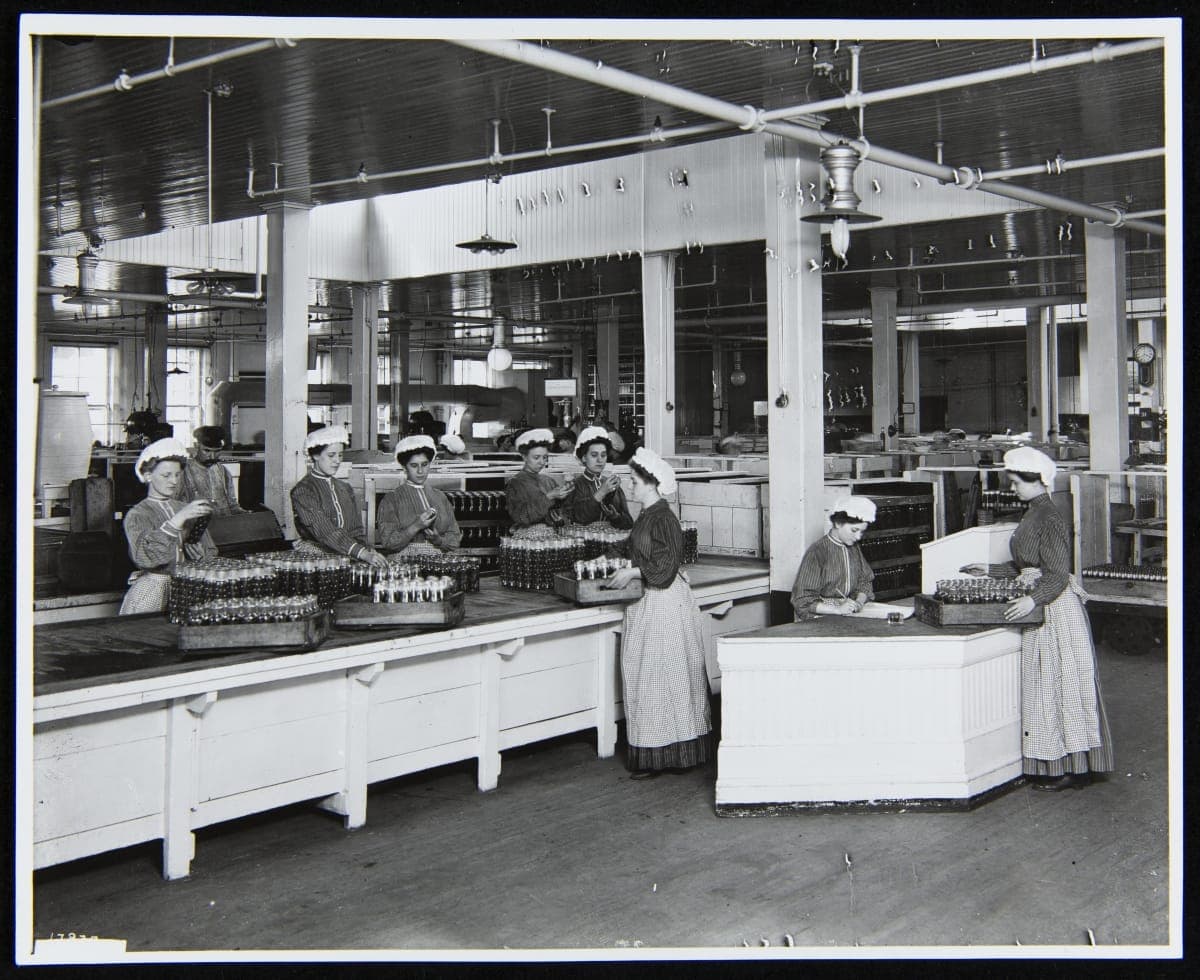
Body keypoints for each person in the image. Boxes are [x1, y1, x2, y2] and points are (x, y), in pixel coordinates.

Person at [963, 446, 1113, 791]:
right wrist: (991, 570)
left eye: (1016, 483)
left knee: (1060, 686)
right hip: (1042, 602)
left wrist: (1032, 599)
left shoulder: (1050, 517)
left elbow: (1057, 574)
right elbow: (1027, 566)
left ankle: (1072, 768)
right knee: (1047, 687)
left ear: (1036, 481)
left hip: (1055, 608)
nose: (1012, 489)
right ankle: (1057, 763)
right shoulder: (1034, 511)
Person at [605, 448, 711, 780]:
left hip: (664, 605)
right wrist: (610, 554)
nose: (630, 487)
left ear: (652, 484)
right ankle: (657, 751)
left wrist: (633, 573)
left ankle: (670, 753)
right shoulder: (647, 514)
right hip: (650, 603)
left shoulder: (664, 517)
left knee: (661, 676)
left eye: (635, 482)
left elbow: (664, 569)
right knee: (649, 676)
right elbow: (634, 545)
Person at [118, 437, 216, 615]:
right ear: (148, 476)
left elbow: (210, 551)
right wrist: (177, 520)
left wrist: (201, 556)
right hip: (153, 591)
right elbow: (147, 558)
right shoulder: (138, 515)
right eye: (166, 475)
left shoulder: (183, 508)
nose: (174, 481)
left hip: (186, 589)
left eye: (178, 475)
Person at [289, 424, 388, 567]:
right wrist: (361, 553)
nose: (337, 460)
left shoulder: (345, 488)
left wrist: (369, 550)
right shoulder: (303, 491)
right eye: (331, 455)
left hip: (347, 554)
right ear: (316, 455)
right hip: (315, 557)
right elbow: (324, 530)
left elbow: (356, 530)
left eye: (340, 455)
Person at [790, 496, 877, 620]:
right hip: (820, 618)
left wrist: (859, 602)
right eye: (854, 530)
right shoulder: (817, 551)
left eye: (861, 532)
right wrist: (837, 610)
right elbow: (802, 600)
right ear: (838, 523)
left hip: (847, 613)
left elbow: (865, 582)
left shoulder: (854, 548)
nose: (858, 537)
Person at [376, 434, 461, 557]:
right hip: (404, 567)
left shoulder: (440, 497)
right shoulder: (391, 499)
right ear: (405, 467)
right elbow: (388, 542)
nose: (420, 471)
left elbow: (455, 538)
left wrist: (438, 540)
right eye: (414, 465)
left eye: (425, 464)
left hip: (437, 564)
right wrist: (416, 526)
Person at [504, 428, 572, 538]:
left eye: (545, 457)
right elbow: (522, 516)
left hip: (551, 537)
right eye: (536, 457)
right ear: (524, 457)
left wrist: (566, 495)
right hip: (527, 540)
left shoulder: (548, 480)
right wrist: (550, 496)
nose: (542, 462)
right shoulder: (515, 483)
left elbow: (561, 511)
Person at [564, 426, 634, 530]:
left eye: (603, 455)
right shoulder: (574, 486)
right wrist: (601, 492)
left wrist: (615, 517)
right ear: (583, 458)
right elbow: (578, 518)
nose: (600, 460)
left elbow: (629, 523)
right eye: (594, 455)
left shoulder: (612, 485)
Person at [177, 425, 245, 516]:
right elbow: (174, 506)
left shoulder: (223, 471)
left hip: (224, 525)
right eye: (207, 451)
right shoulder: (183, 472)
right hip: (195, 526)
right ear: (196, 446)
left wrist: (244, 514)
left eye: (217, 451)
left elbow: (233, 506)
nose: (212, 457)